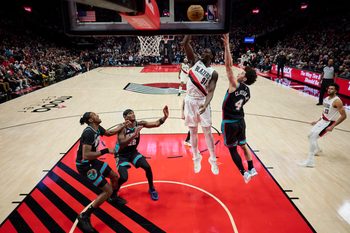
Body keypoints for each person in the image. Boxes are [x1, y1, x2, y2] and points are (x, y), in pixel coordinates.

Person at [76, 112, 130, 233]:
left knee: (115, 177)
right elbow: (86, 155)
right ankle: (84, 216)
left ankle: (113, 198)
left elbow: (109, 133)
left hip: (93, 161)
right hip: (85, 165)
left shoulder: (97, 128)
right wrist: (105, 150)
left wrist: (123, 124)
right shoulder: (89, 132)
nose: (98, 115)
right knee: (107, 190)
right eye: (95, 115)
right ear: (91, 120)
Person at [221, 34, 258, 183]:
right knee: (243, 145)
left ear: (245, 78)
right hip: (241, 121)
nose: (239, 72)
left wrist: (227, 46)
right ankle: (252, 167)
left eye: (242, 73)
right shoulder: (248, 91)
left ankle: (244, 172)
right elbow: (243, 102)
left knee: (232, 149)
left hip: (230, 122)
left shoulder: (234, 85)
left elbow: (228, 66)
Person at [181, 35, 219, 175]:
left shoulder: (213, 73)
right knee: (193, 131)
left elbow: (211, 91)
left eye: (207, 52)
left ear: (212, 56)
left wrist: (206, 104)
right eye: (203, 51)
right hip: (190, 100)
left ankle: (213, 159)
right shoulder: (194, 61)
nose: (204, 53)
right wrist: (191, 30)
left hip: (203, 101)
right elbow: (185, 44)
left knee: (208, 132)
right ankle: (196, 157)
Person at [114, 106, 169, 201]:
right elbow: (122, 143)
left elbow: (155, 124)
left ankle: (151, 188)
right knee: (124, 177)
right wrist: (134, 134)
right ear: (125, 117)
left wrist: (164, 117)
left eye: (133, 112)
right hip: (121, 155)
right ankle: (114, 192)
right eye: (130, 113)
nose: (133, 114)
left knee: (147, 167)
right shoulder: (122, 128)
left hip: (132, 152)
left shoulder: (138, 124)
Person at [300, 83, 347, 167]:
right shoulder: (326, 98)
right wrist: (317, 121)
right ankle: (317, 150)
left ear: (336, 91)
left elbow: (344, 116)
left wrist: (332, 126)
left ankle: (310, 161)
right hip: (322, 121)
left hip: (329, 123)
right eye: (329, 88)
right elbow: (325, 112)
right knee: (309, 135)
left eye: (332, 89)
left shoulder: (337, 101)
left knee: (313, 138)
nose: (329, 90)